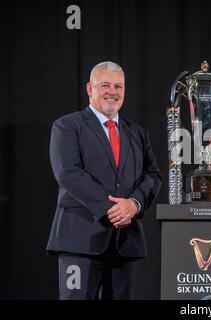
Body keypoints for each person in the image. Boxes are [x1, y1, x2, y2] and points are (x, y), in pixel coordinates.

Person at [47, 61, 162, 300]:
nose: (113, 92)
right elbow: (68, 173)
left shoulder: (138, 133)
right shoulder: (68, 126)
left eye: (119, 86)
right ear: (90, 89)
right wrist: (114, 209)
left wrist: (134, 204)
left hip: (125, 243)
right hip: (80, 241)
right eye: (105, 85)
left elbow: (153, 175)